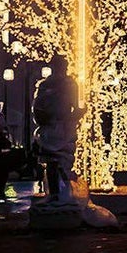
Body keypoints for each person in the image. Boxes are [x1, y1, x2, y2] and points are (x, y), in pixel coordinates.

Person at [33, 55, 81, 202]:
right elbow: (74, 105)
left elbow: (37, 107)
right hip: (60, 126)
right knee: (58, 163)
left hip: (55, 127)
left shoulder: (46, 85)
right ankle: (60, 193)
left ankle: (58, 193)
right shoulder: (66, 84)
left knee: (57, 163)